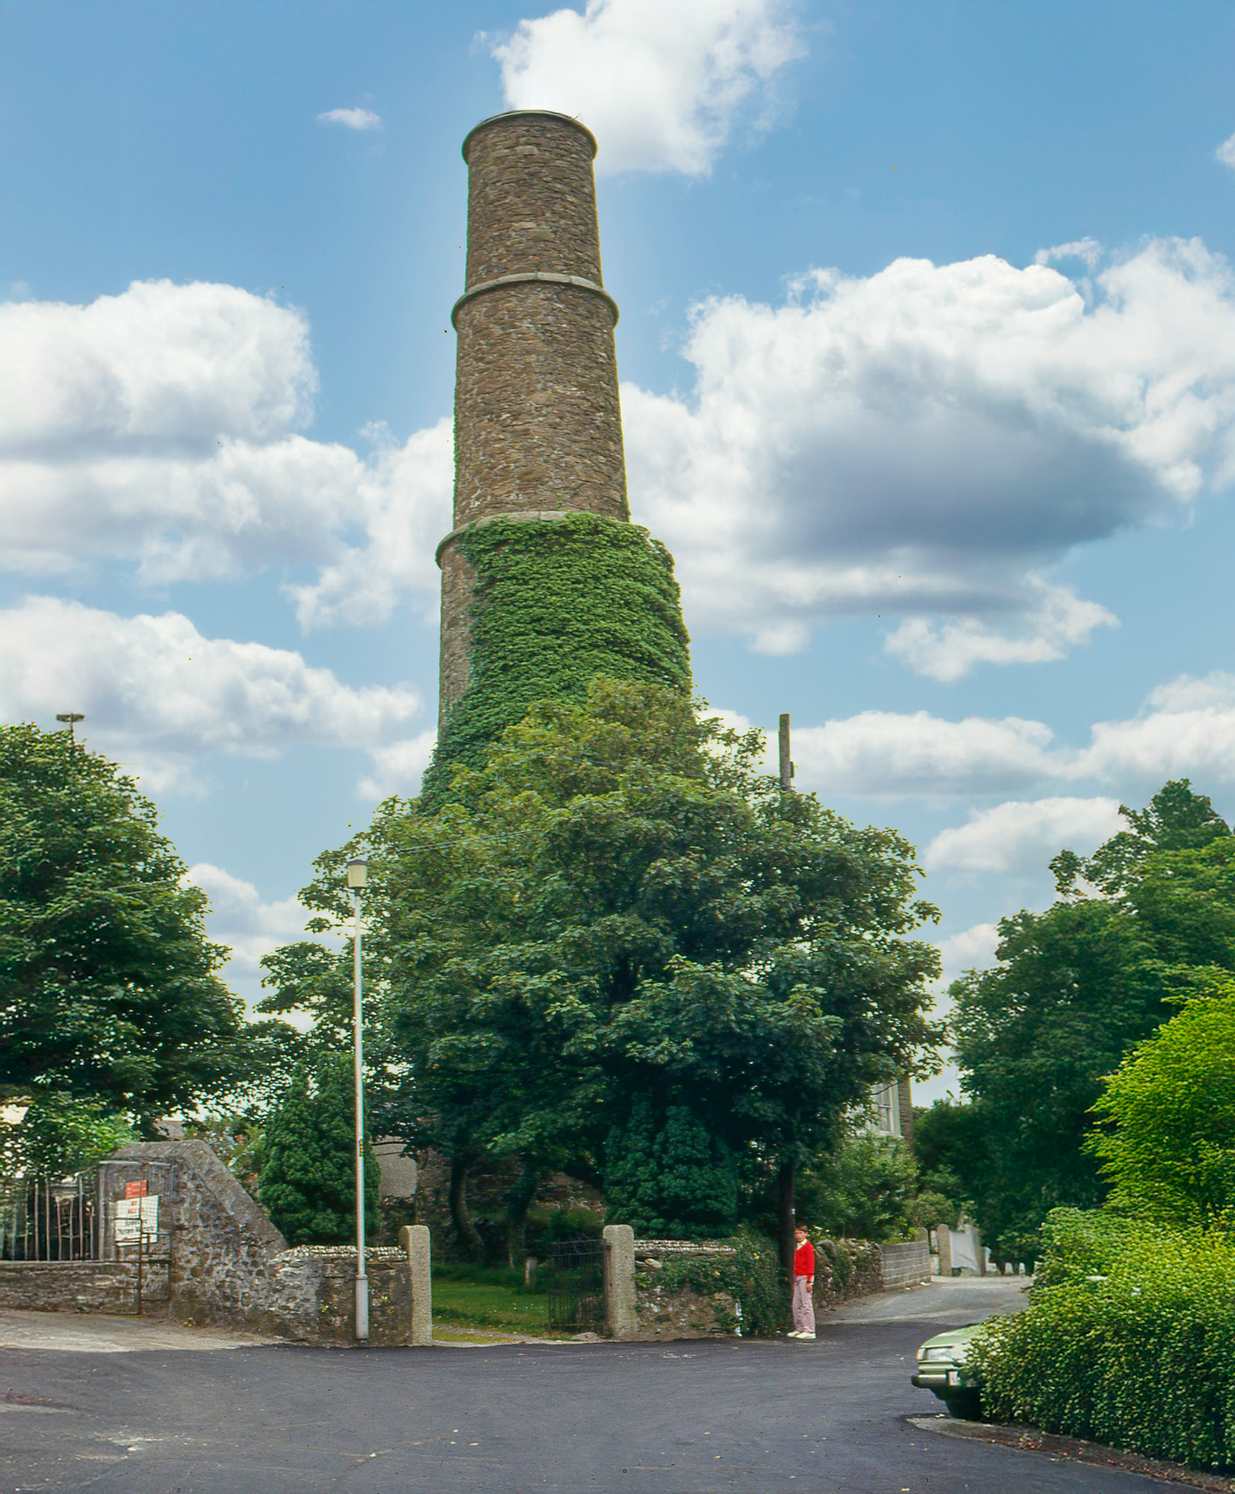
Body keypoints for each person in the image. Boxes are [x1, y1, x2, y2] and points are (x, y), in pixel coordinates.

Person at [789, 1224, 816, 1340]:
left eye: (800, 1233)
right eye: (796, 1233)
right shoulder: (797, 1246)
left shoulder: (808, 1247)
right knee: (796, 1304)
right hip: (797, 1277)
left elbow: (811, 1264)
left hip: (805, 1277)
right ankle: (799, 1328)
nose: (798, 1235)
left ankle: (809, 1330)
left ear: (805, 1234)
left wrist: (810, 1281)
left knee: (806, 1304)